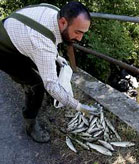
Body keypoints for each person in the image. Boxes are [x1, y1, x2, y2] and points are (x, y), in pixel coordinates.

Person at [0, 1, 99, 143]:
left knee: (51, 67)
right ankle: (31, 125)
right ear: (63, 22)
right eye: (77, 32)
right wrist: (78, 106)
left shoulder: (55, 11)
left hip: (18, 34)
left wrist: (57, 57)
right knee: (36, 86)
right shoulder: (42, 44)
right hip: (4, 51)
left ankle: (50, 97)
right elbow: (51, 83)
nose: (79, 38)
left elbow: (48, 41)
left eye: (83, 33)